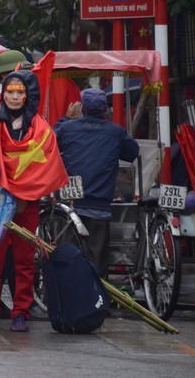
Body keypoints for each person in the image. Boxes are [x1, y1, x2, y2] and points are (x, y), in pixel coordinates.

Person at [0, 70, 68, 332]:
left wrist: (26, 195)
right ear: (3, 94)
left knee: (25, 260)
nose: (15, 97)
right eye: (10, 92)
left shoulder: (41, 128)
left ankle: (20, 312)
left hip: (28, 203)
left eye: (20, 92)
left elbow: (45, 166)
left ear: (28, 96)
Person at [53, 88, 140, 280]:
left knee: (68, 255)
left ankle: (71, 298)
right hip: (99, 204)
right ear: (105, 109)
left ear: (82, 108)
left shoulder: (67, 128)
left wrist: (66, 119)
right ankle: (98, 299)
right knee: (98, 258)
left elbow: (50, 141)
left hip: (70, 203)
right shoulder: (115, 132)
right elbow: (132, 152)